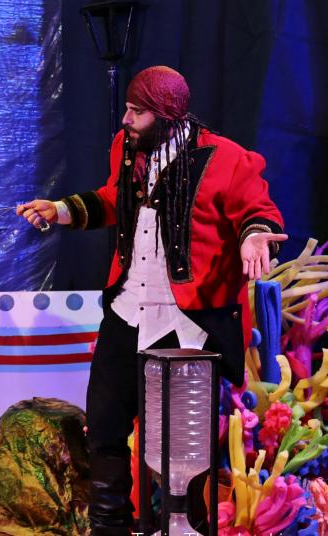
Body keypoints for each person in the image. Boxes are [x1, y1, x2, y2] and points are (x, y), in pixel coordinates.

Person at [18, 65, 286, 534]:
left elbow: (258, 211)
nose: (126, 119)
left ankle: (184, 525)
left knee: (183, 443)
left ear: (165, 114)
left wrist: (254, 236)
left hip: (188, 321)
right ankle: (109, 526)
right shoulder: (127, 148)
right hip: (127, 312)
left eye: (136, 112)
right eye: (127, 108)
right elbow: (114, 199)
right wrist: (59, 210)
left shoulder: (226, 158)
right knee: (105, 426)